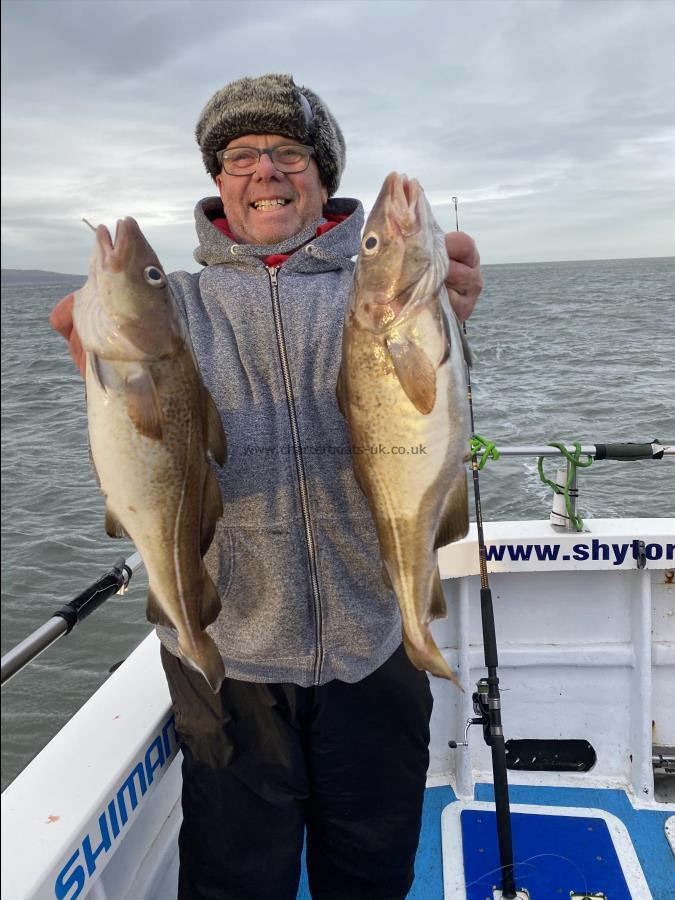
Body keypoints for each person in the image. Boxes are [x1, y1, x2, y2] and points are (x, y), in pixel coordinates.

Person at [50, 73, 483, 900]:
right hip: (232, 653)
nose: (266, 172)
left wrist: (451, 321)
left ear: (321, 176)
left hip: (372, 637)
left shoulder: (373, 292)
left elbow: (426, 423)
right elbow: (94, 351)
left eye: (288, 152)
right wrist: (94, 332)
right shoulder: (175, 305)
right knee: (234, 876)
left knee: (371, 866)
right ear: (218, 182)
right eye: (241, 156)